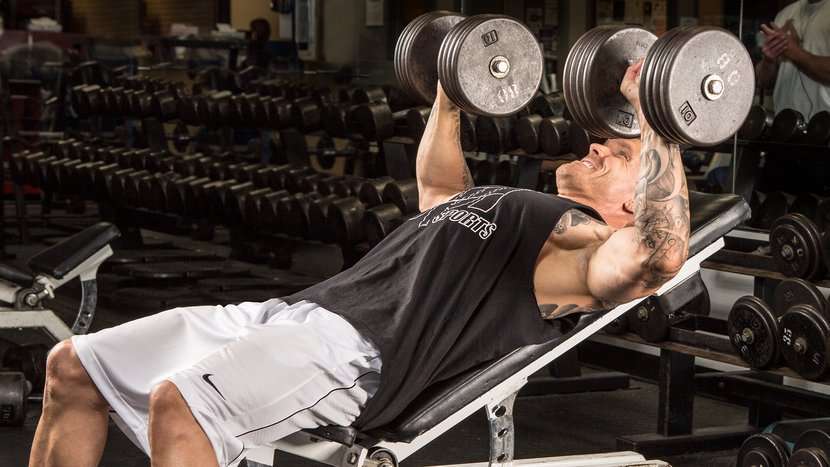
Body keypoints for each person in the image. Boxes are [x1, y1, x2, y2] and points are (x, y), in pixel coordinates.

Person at [28, 61, 690, 467]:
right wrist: (452, 92)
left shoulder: (578, 249)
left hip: (356, 353)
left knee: (185, 406)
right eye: (603, 140)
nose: (599, 146)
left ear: (635, 201)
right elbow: (437, 192)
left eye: (618, 153)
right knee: (72, 366)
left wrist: (658, 121)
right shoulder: (518, 205)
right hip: (291, 313)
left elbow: (657, 256)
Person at [756, 0, 830, 117]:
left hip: (824, 124)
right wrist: (769, 61)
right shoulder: (785, 14)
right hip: (785, 122)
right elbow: (763, 81)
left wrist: (794, 52)